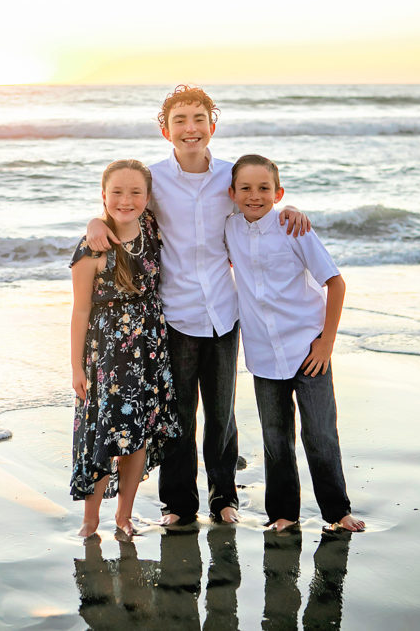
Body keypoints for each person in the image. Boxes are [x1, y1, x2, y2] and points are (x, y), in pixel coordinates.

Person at [86, 85, 310, 526]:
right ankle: (178, 504)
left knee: (222, 413)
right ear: (165, 130)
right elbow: (121, 207)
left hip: (225, 312)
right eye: (180, 121)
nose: (190, 129)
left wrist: (294, 208)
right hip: (176, 312)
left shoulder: (230, 177)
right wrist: (95, 220)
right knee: (178, 415)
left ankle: (224, 498)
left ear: (212, 124)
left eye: (198, 119)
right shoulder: (153, 178)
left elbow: (260, 201)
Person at [224, 154, 365, 533]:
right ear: (232, 193)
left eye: (264, 189)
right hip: (262, 352)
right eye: (247, 189)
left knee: (319, 433)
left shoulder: (293, 227)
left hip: (308, 348)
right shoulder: (229, 229)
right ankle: (283, 514)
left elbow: (335, 283)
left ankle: (337, 512)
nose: (255, 196)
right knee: (275, 438)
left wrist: (326, 344)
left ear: (278, 192)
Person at [70, 159, 180, 538]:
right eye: (116, 192)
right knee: (105, 436)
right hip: (108, 356)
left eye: (135, 192)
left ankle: (124, 516)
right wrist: (76, 368)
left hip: (150, 349)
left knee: (138, 437)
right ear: (103, 196)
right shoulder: (92, 248)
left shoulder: (152, 230)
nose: (126, 199)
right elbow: (81, 310)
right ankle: (90, 519)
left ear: (148, 199)